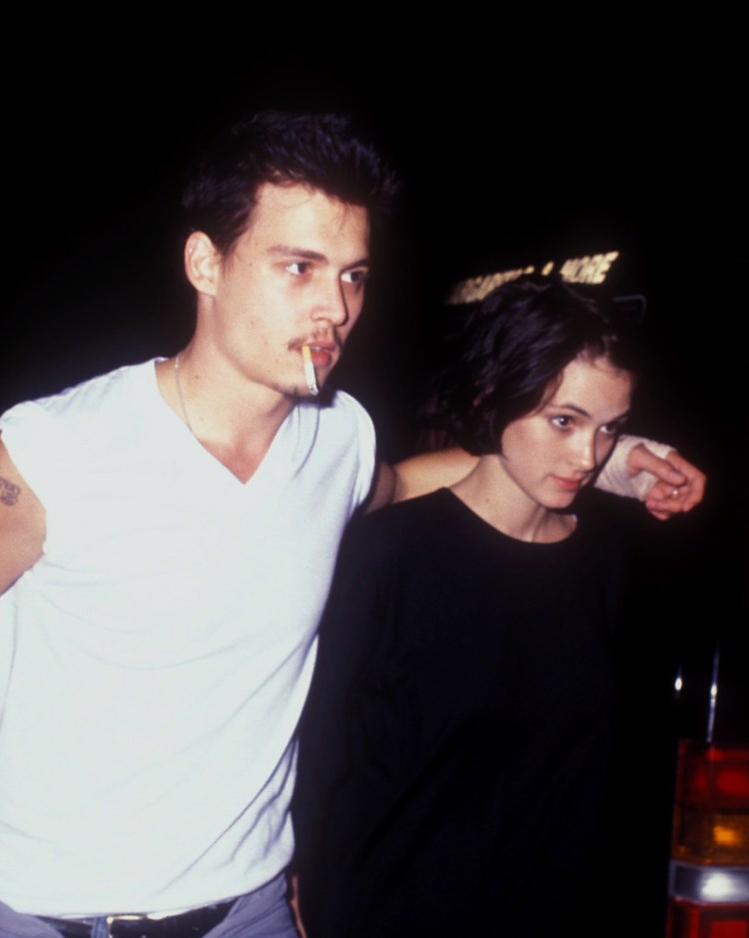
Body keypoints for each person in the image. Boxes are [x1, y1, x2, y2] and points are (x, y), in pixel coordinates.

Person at [0, 114, 702, 938]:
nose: (334, 307)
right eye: (298, 267)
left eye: (353, 275)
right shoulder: (57, 450)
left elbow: (424, 478)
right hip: (29, 912)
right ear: (206, 263)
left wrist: (614, 463)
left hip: (246, 910)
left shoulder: (337, 439)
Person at [295, 276, 670, 937]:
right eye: (564, 421)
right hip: (388, 914)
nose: (587, 456)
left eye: (610, 428)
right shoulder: (388, 555)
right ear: (489, 397)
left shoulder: (606, 562)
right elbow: (321, 757)